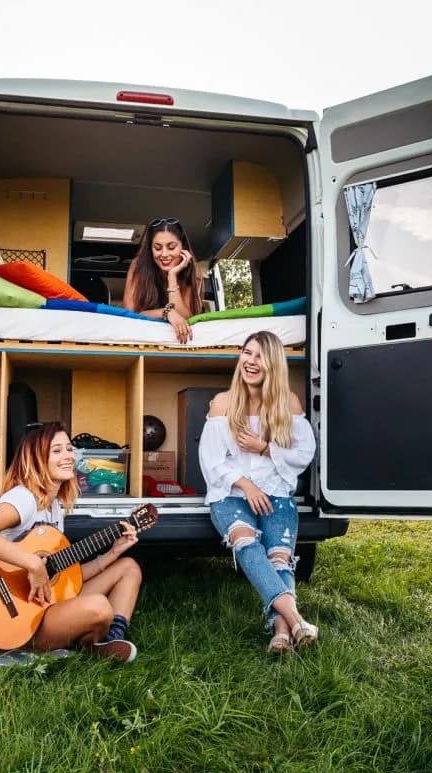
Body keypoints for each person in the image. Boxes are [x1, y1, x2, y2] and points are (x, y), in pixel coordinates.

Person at [0, 421, 144, 661]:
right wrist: (32, 564)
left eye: (69, 448)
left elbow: (65, 578)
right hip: (17, 614)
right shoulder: (23, 499)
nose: (68, 456)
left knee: (129, 567)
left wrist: (111, 554)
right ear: (35, 459)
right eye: (56, 451)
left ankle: (109, 640)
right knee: (99, 606)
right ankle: (91, 642)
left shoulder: (53, 506)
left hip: (45, 604)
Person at [199, 331, 319, 653]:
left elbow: (303, 454)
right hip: (231, 494)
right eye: (246, 353)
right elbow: (211, 461)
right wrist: (245, 483)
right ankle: (295, 620)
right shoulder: (224, 403)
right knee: (244, 539)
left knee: (279, 557)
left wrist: (265, 448)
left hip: (276, 493)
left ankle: (280, 634)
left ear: (273, 364)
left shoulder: (288, 404)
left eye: (258, 356)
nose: (250, 362)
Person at [122, 218, 204, 344]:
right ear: (150, 249)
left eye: (171, 247)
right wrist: (167, 312)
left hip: (177, 344)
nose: (164, 254)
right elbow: (130, 316)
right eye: (157, 248)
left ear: (183, 247)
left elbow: (185, 317)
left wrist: (172, 276)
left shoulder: (193, 271)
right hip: (142, 340)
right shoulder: (138, 267)